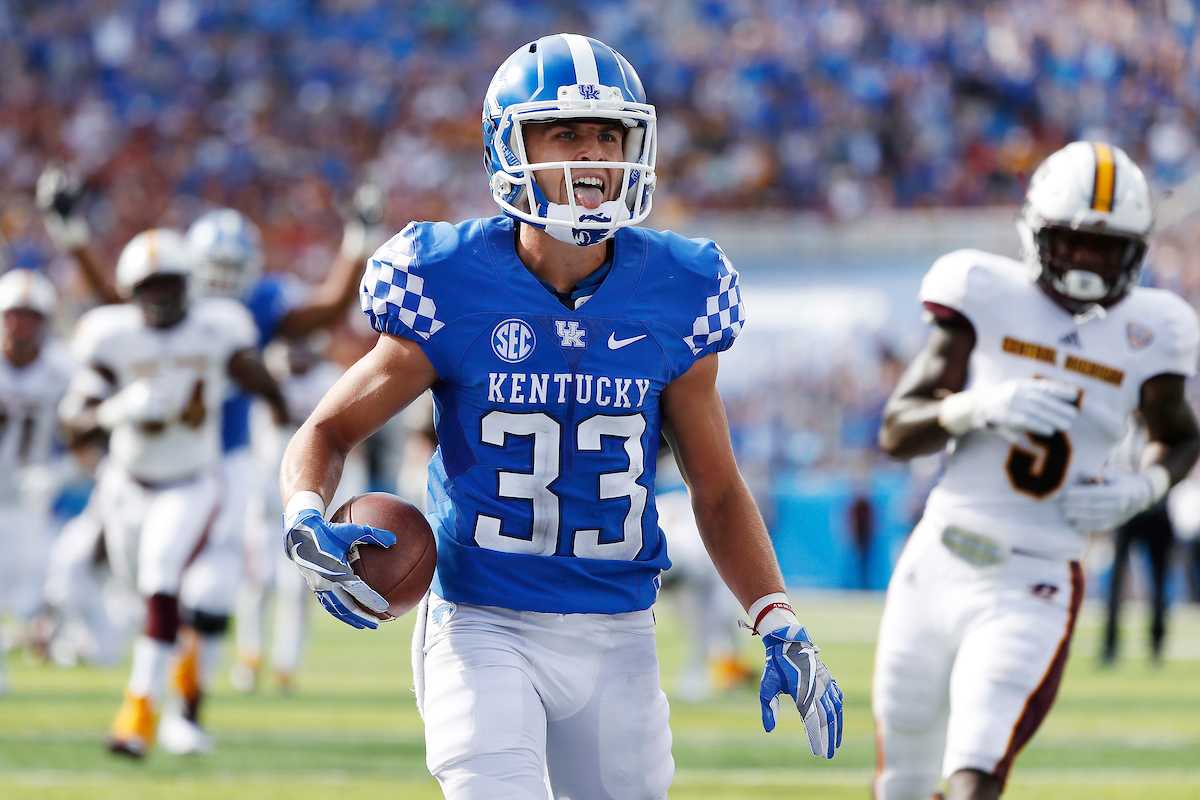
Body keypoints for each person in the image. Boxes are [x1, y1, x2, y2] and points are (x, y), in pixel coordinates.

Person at [279, 34, 843, 800]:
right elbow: (328, 429)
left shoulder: (679, 289)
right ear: (509, 146)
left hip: (619, 630)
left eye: (609, 135)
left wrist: (777, 619)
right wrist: (304, 515)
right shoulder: (447, 280)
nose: (593, 156)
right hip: (482, 620)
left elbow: (716, 489)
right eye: (566, 133)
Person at [873, 141, 1200, 800]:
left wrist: (1146, 485)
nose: (1085, 262)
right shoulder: (983, 291)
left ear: (1135, 251)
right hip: (936, 556)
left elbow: (1180, 436)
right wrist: (975, 406)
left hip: (1037, 574)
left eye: (1105, 249)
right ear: (1037, 231)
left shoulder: (1152, 328)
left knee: (977, 766)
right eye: (1072, 241)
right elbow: (897, 432)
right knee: (901, 778)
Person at [60, 229, 286, 758]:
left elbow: (262, 382)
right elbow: (72, 425)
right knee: (143, 594)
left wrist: (280, 425)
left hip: (191, 480)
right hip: (126, 483)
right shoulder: (111, 335)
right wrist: (116, 411)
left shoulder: (217, 328)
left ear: (189, 284)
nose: (161, 296)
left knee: (162, 580)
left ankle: (137, 713)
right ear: (130, 291)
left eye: (169, 283)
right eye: (150, 285)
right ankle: (180, 682)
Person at [0, 268, 77, 693]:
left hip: (29, 498)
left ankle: (47, 637)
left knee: (34, 588)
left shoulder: (64, 369)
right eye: (14, 315)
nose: (21, 326)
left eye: (31, 316)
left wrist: (58, 474)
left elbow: (89, 438)